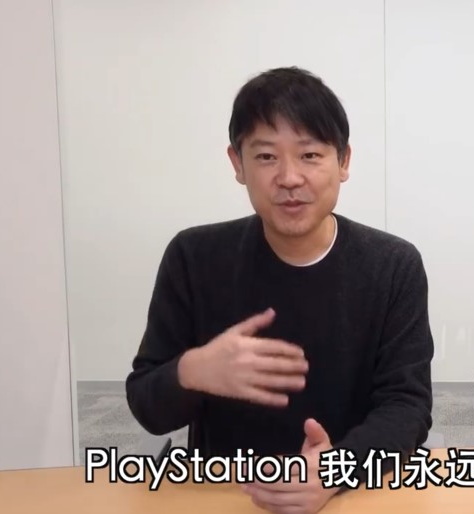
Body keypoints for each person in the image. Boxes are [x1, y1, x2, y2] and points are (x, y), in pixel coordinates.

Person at [125, 66, 434, 513]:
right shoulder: (194, 257)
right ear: (238, 164)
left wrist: (337, 469)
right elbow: (147, 407)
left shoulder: (392, 265)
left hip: (348, 494)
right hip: (227, 496)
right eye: (267, 156)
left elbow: (407, 406)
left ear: (343, 162)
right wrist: (192, 371)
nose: (289, 177)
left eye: (309, 155)